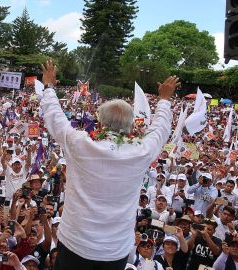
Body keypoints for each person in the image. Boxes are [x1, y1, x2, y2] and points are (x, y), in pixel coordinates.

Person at [36, 60, 180, 268]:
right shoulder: (141, 151)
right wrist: (164, 100)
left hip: (76, 243)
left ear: (100, 123)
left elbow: (55, 119)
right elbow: (160, 130)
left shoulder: (79, 143)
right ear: (131, 125)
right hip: (115, 250)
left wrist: (49, 88)